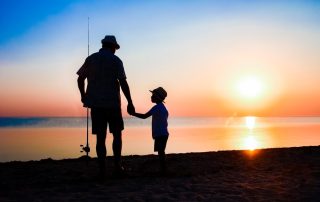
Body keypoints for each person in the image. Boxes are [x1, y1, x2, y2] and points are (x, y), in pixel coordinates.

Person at [77, 35, 135, 177]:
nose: (115, 50)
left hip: (96, 105)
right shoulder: (116, 60)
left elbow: (80, 78)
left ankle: (102, 170)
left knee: (100, 138)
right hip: (113, 104)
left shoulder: (91, 59)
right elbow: (123, 83)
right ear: (112, 47)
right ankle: (117, 166)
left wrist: (83, 95)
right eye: (115, 48)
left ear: (103, 45)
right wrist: (130, 102)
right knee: (117, 135)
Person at [130, 87, 169, 173]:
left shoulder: (156, 108)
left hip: (160, 134)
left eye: (152, 95)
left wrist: (133, 114)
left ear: (156, 97)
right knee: (161, 151)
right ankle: (163, 169)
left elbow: (144, 116)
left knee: (161, 152)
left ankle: (163, 170)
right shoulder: (163, 108)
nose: (151, 97)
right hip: (164, 133)